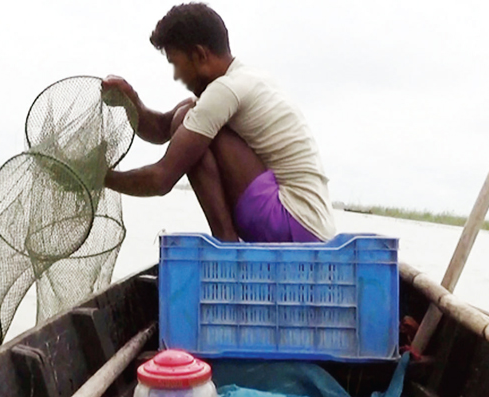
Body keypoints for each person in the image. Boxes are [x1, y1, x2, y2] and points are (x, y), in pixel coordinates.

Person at [102, 3, 335, 243]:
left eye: (176, 64)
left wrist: (101, 178)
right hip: (310, 229)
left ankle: (226, 241)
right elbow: (161, 128)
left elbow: (161, 179)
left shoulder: (225, 91)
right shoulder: (242, 80)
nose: (176, 76)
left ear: (200, 55)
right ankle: (227, 241)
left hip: (291, 222)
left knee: (187, 121)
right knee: (187, 116)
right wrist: (131, 101)